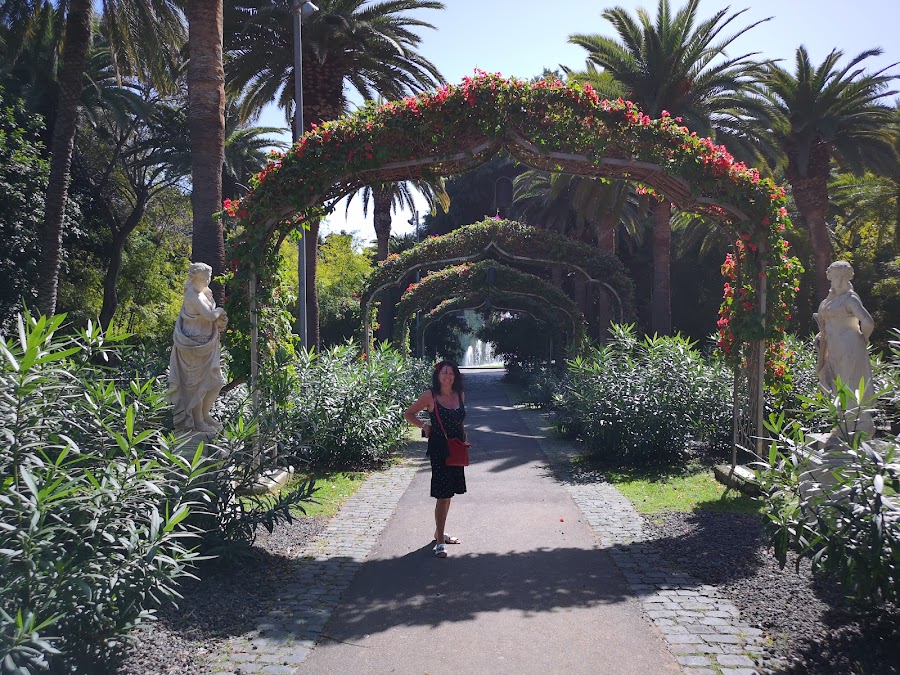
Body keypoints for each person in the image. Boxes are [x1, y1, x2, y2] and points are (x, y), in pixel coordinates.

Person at [404, 360, 467, 558]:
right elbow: (409, 414)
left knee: (449, 494)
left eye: (451, 373)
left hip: (456, 449)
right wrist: (424, 426)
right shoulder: (430, 395)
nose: (448, 376)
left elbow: (460, 422)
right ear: (438, 376)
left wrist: (464, 441)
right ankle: (440, 541)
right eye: (444, 373)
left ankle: (439, 531)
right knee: (442, 494)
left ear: (455, 376)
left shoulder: (459, 394)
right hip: (439, 450)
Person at [168, 262, 228, 435]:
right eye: (204, 278)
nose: (207, 282)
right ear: (195, 278)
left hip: (207, 343)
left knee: (216, 382)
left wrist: (220, 321)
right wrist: (220, 310)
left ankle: (204, 414)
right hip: (193, 345)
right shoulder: (192, 295)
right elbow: (209, 316)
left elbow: (210, 319)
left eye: (208, 278)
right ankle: (196, 421)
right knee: (197, 385)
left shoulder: (204, 294)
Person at [814, 260, 875, 400]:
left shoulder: (850, 299)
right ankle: (841, 414)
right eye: (833, 277)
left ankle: (852, 414)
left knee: (850, 385)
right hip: (833, 347)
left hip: (849, 346)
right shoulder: (830, 300)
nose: (834, 280)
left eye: (836, 277)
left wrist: (862, 339)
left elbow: (868, 322)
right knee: (836, 384)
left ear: (844, 278)